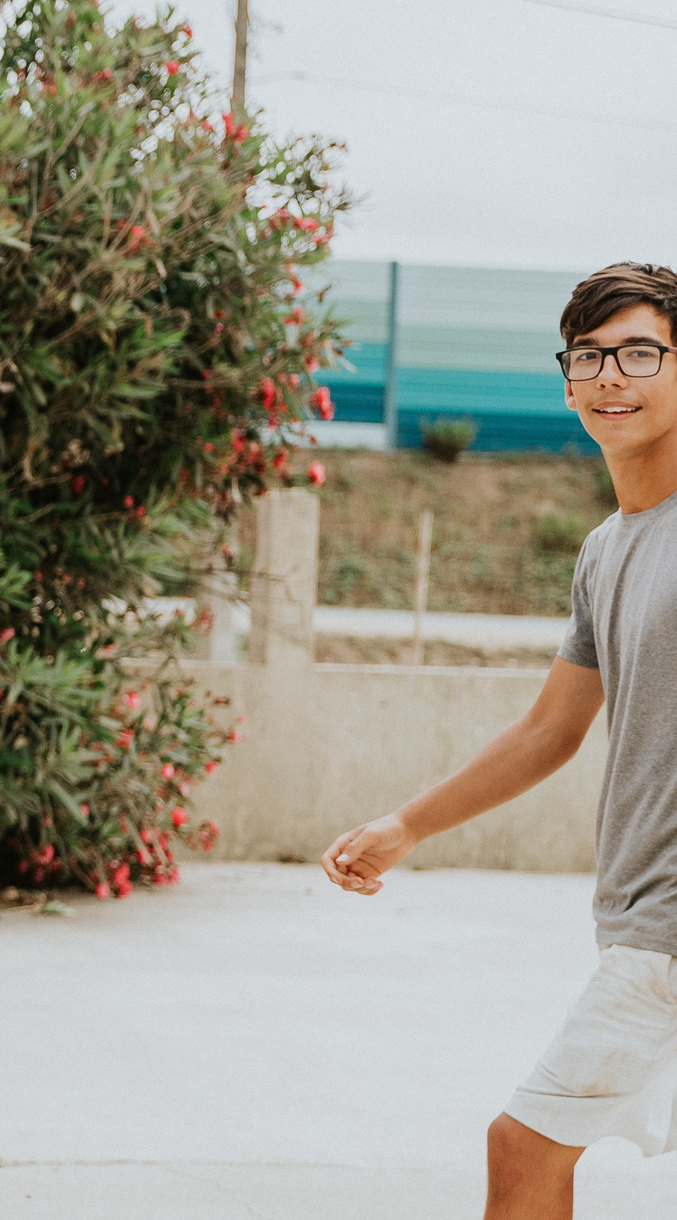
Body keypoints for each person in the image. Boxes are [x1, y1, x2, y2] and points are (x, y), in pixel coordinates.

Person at [323, 262, 677, 1220]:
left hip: (668, 929)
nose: (612, 375)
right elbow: (548, 729)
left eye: (641, 351)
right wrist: (405, 825)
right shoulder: (608, 549)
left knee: (523, 1148)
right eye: (589, 357)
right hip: (637, 918)